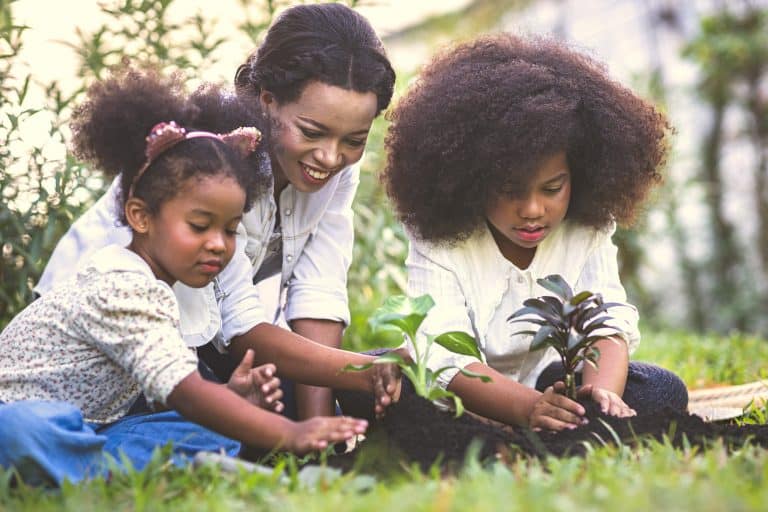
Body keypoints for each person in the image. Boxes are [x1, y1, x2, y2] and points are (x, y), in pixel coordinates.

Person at [0, 69, 383, 486]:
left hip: (97, 426)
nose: (219, 244)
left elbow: (176, 394)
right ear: (140, 216)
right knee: (25, 430)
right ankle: (133, 472)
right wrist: (291, 433)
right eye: (200, 226)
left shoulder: (168, 286)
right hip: (26, 416)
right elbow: (183, 389)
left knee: (203, 427)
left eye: (231, 229)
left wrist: (233, 400)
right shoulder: (120, 286)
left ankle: (120, 473)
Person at [35, 3, 397, 420]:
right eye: (312, 132)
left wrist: (320, 423)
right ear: (267, 100)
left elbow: (319, 289)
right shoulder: (210, 160)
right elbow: (240, 333)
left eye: (354, 139)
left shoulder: (329, 167)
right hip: (106, 351)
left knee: (287, 398)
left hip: (198, 334)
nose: (331, 157)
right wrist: (359, 373)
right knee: (235, 412)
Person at [380, 34, 688, 431]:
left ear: (579, 175)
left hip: (554, 382)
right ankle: (518, 424)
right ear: (471, 180)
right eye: (510, 191)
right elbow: (443, 353)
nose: (532, 210)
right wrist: (527, 407)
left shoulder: (585, 224)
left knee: (662, 390)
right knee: (381, 380)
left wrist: (600, 398)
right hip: (463, 392)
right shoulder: (440, 236)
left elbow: (606, 321)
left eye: (552, 188)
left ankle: (563, 421)